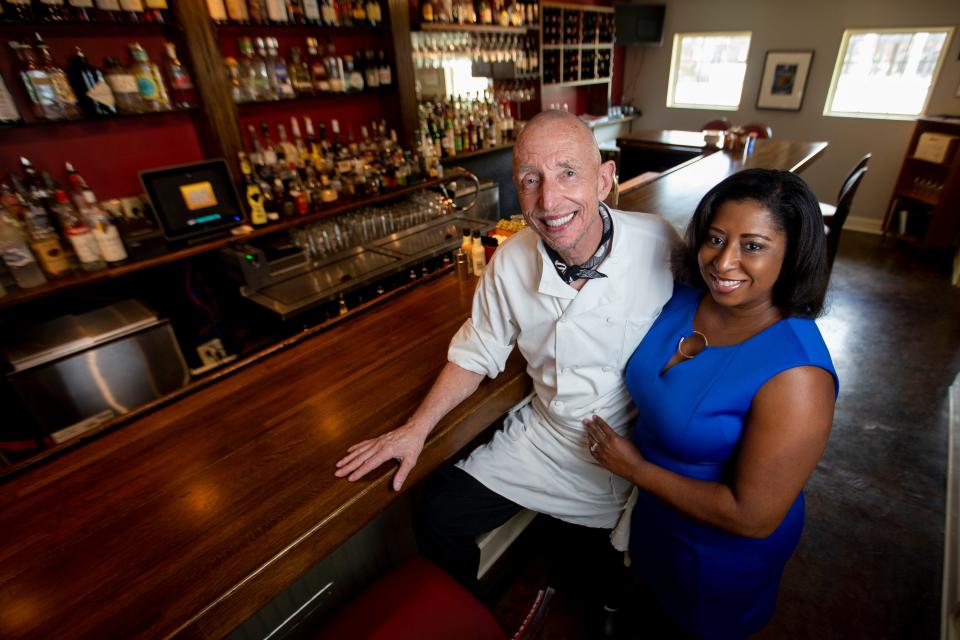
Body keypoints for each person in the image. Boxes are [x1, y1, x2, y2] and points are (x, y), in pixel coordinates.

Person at [334, 110, 679, 593]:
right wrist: (416, 429)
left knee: (602, 584)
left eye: (567, 173)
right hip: (546, 439)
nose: (549, 199)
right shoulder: (511, 260)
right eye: (530, 179)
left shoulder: (660, 243)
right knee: (438, 515)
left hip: (624, 449)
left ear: (604, 180)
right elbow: (477, 350)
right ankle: (469, 622)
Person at [585, 168, 838, 639]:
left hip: (716, 553)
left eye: (753, 246)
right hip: (654, 518)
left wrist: (635, 469)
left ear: (792, 253)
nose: (724, 262)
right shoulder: (683, 298)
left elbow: (753, 516)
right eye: (716, 238)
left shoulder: (797, 375)